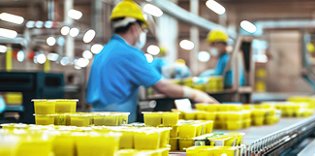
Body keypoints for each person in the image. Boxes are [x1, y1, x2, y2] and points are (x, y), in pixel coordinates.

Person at [86, 0, 218, 122]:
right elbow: (162, 86)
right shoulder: (130, 53)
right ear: (134, 28)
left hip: (95, 117)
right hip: (117, 122)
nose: (142, 33)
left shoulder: (104, 52)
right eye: (143, 29)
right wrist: (195, 94)